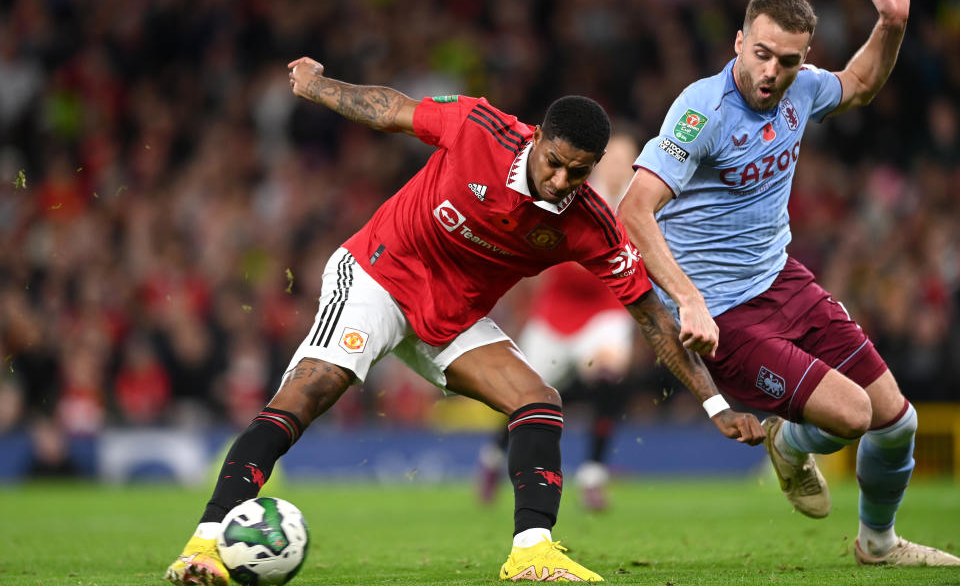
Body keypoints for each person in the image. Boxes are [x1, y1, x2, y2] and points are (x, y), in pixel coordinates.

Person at [165, 58, 765, 585]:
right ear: (538, 140)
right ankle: (206, 545)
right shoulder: (479, 128)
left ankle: (531, 553)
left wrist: (715, 405)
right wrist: (318, 87)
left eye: (578, 174)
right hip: (379, 273)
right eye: (554, 164)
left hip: (452, 316)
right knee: (313, 388)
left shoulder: (589, 221)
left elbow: (651, 315)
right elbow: (391, 111)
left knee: (538, 401)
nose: (561, 183)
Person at [618, 0, 960, 568]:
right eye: (763, 54)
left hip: (782, 281)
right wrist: (689, 298)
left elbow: (856, 86)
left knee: (899, 421)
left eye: (790, 59)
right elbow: (633, 211)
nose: (774, 72)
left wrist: (891, 25)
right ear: (738, 42)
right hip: (722, 315)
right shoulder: (703, 111)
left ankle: (878, 547)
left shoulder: (801, 88)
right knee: (855, 416)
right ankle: (787, 444)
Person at [476, 134, 640, 512]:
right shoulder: (574, 194)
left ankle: (593, 473)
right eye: (611, 161)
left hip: (604, 308)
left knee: (609, 373)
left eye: (625, 162)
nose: (617, 169)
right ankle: (492, 456)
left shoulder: (638, 205)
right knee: (524, 395)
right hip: (555, 311)